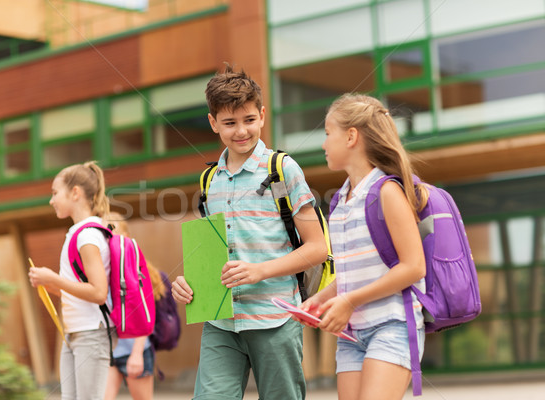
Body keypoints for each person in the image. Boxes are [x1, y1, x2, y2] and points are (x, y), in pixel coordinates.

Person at [171, 64, 328, 400]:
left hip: (274, 318)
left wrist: (260, 271)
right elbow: (213, 253)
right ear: (213, 123)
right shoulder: (208, 180)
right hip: (221, 322)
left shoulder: (282, 169)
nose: (241, 131)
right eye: (229, 123)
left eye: (249, 120)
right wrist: (189, 282)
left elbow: (316, 248)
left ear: (262, 115)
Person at [299, 93, 428, 400]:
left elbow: (414, 267)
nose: (323, 144)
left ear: (351, 137)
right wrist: (318, 300)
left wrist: (350, 301)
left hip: (392, 326)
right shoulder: (340, 202)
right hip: (351, 333)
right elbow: (353, 274)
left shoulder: (387, 192)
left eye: (329, 134)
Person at [28, 161, 115, 400]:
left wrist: (54, 278)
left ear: (75, 192)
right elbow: (79, 291)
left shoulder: (87, 235)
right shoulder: (77, 233)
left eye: (55, 193)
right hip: (74, 332)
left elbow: (98, 293)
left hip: (91, 333)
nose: (51, 200)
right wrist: (51, 284)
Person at [102, 212, 166, 400]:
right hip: (110, 354)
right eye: (103, 235)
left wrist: (137, 354)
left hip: (135, 350)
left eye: (112, 232)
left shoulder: (136, 272)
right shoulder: (101, 272)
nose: (108, 239)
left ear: (126, 237)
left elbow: (144, 315)